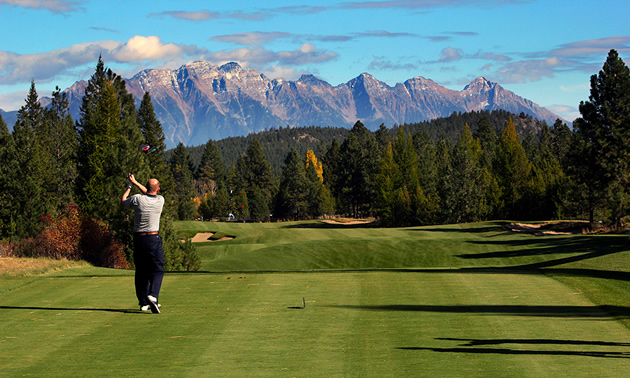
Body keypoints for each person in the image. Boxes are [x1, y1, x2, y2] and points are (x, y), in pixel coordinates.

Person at [121, 173, 165, 314]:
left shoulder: (137, 199)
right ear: (158, 190)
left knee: (141, 271)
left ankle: (143, 303)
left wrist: (129, 186)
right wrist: (136, 183)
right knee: (157, 269)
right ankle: (153, 295)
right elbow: (149, 192)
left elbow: (123, 202)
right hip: (153, 238)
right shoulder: (160, 200)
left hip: (139, 239)